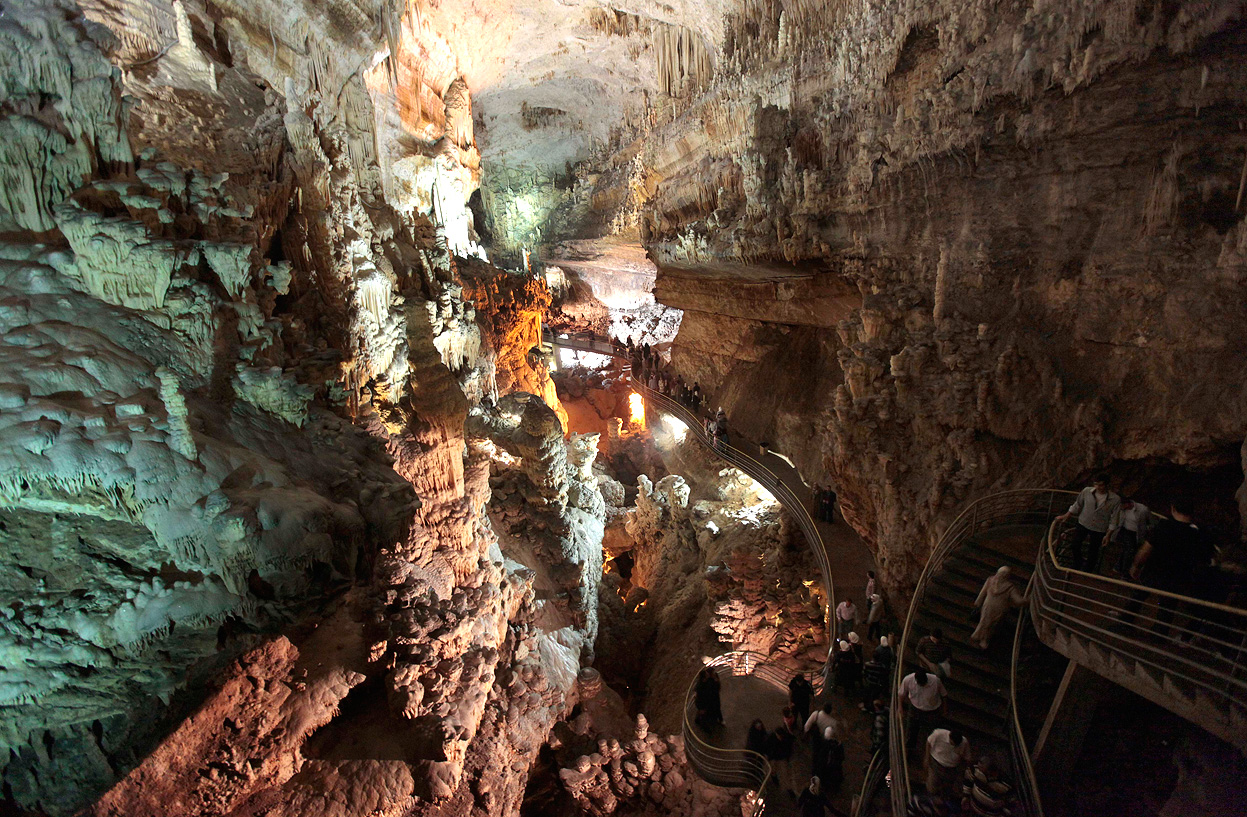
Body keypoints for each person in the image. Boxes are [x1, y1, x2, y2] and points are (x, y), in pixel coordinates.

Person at [1126, 497, 1216, 636]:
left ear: (1173, 509)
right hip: (1178, 577)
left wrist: (1136, 566)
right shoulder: (1200, 534)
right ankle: (1159, 634)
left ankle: (1126, 622)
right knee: (1167, 607)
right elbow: (1205, 558)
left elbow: (1146, 549)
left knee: (1138, 595)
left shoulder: (1164, 526)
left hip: (1154, 571)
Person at [1056, 473, 1122, 573]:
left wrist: (1108, 535)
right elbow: (1077, 504)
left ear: (1107, 485)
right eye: (1096, 484)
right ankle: (1078, 562)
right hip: (1083, 523)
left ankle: (1087, 570)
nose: (1098, 487)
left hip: (1099, 527)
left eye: (1101, 485)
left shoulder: (1115, 499)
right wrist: (1066, 515)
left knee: (1093, 551)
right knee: (1075, 544)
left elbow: (1114, 518)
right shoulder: (1087, 491)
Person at [970, 567, 1027, 649]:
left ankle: (977, 635)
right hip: (999, 609)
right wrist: (1027, 600)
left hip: (988, 605)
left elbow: (983, 592)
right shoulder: (1009, 587)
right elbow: (1018, 601)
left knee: (984, 621)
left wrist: (978, 602)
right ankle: (984, 640)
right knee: (992, 625)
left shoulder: (990, 580)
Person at [898, 668, 946, 747]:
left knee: (932, 732)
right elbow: (901, 694)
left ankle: (930, 749)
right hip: (915, 708)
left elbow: (944, 695)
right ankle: (909, 748)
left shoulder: (936, 681)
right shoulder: (908, 680)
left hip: (932, 711)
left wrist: (944, 710)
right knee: (911, 730)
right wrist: (900, 708)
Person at [1111, 497, 1152, 577]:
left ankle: (1119, 567)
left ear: (1127, 504)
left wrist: (1146, 530)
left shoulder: (1143, 510)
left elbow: (1151, 522)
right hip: (1125, 531)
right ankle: (1124, 571)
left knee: (1128, 550)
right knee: (1129, 550)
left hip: (1137, 533)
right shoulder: (1122, 510)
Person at [925, 728, 972, 799]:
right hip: (936, 764)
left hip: (951, 769)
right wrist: (926, 758)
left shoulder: (964, 743)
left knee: (947, 789)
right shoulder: (938, 734)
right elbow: (928, 742)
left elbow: (967, 758)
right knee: (932, 785)